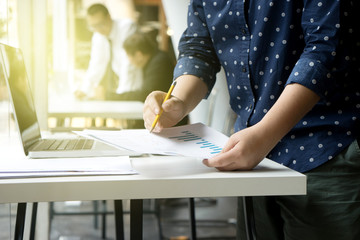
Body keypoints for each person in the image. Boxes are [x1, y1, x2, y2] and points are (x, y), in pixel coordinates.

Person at [143, 1, 360, 239]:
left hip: (326, 150)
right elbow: (198, 50)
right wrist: (177, 102)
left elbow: (324, 50)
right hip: (254, 159)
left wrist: (264, 134)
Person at [74, 3, 142, 100]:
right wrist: (84, 89)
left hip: (136, 86)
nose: (98, 29)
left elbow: (128, 64)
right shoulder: (98, 35)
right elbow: (96, 64)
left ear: (109, 17)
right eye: (93, 26)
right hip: (121, 85)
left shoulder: (126, 27)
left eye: (100, 24)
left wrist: (120, 96)